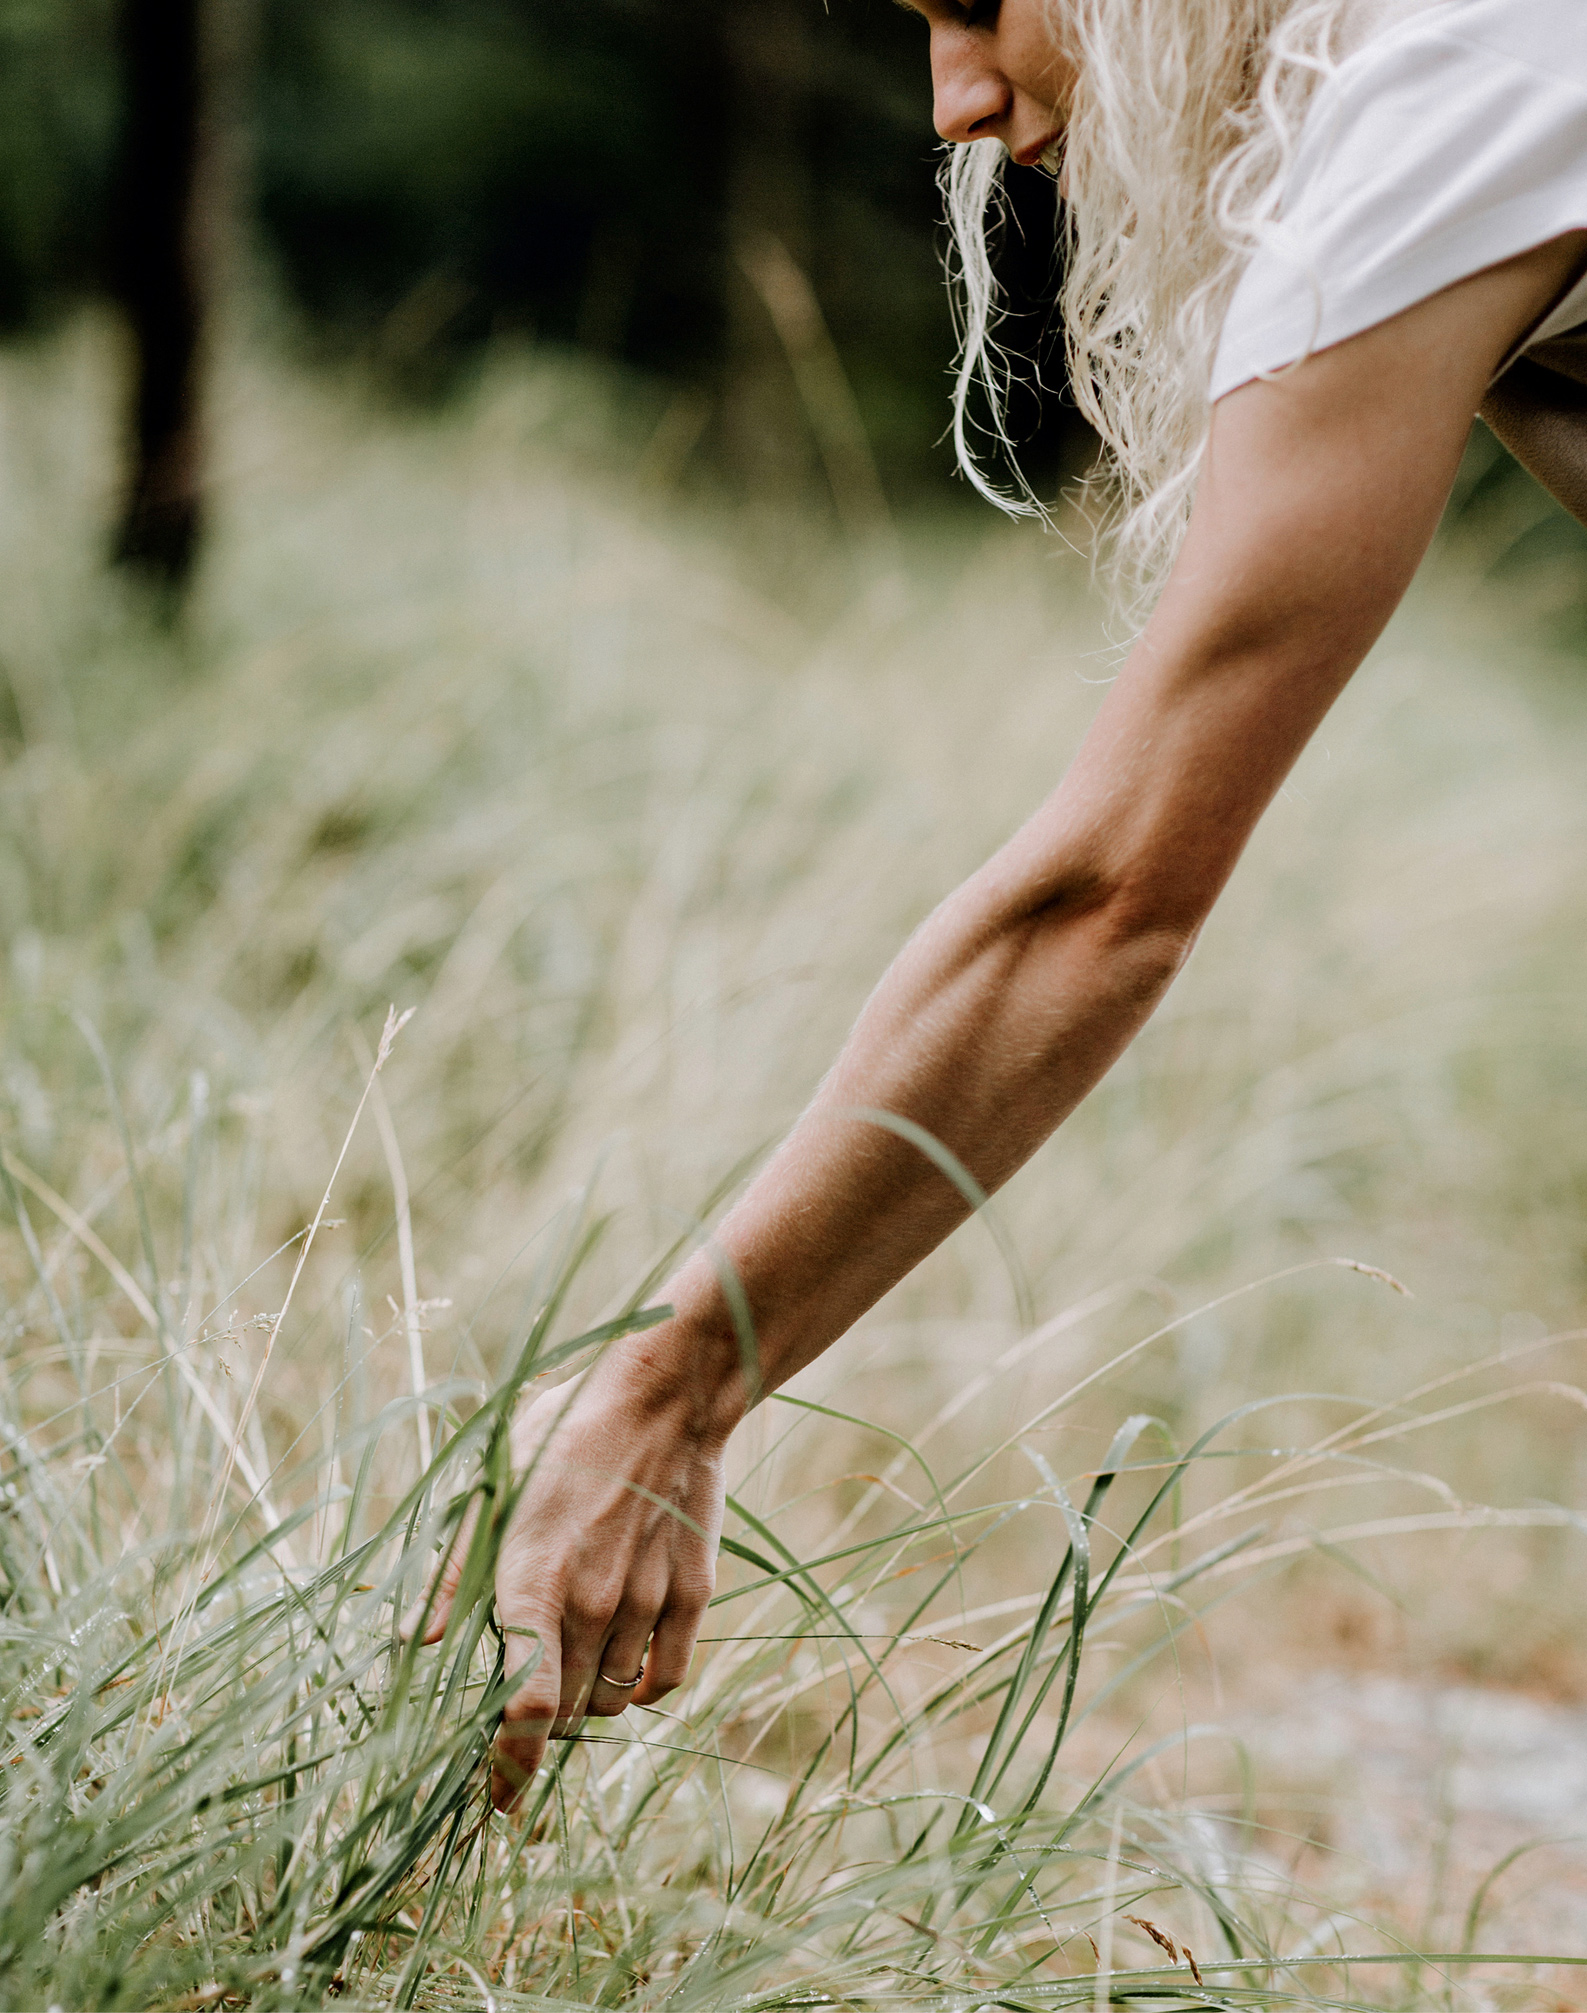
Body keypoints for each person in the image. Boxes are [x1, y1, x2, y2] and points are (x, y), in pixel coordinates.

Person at [416, 0, 1587, 1807]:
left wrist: (675, 1382)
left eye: (979, 2)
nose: (960, 101)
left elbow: (1107, 898)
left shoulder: (1466, 84)